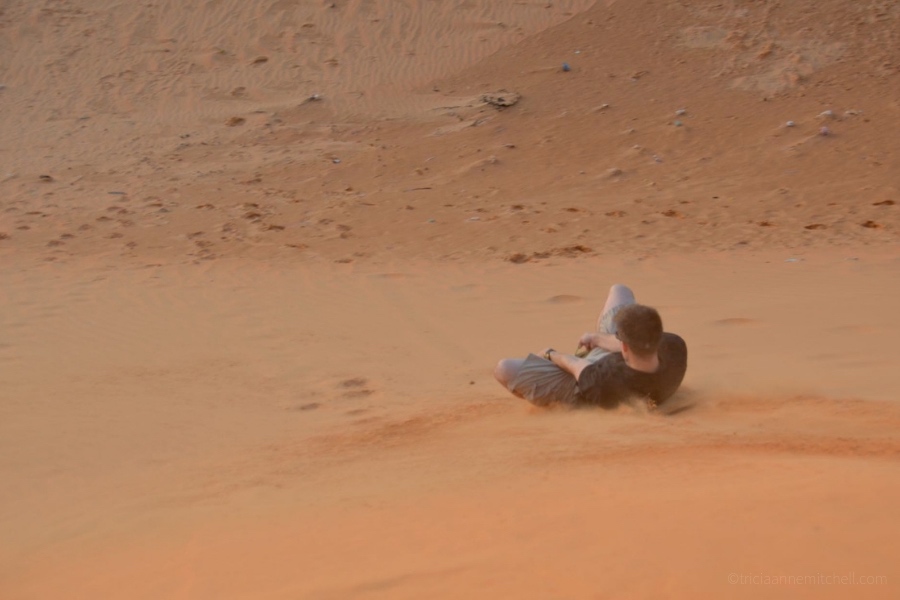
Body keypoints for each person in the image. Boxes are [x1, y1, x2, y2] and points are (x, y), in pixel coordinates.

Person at [493, 284, 687, 409]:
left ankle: (547, 401)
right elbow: (634, 346)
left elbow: (574, 364)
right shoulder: (675, 347)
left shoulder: (603, 380)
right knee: (619, 290)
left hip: (580, 387)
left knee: (504, 368)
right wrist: (595, 338)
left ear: (625, 347)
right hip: (604, 367)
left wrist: (550, 354)